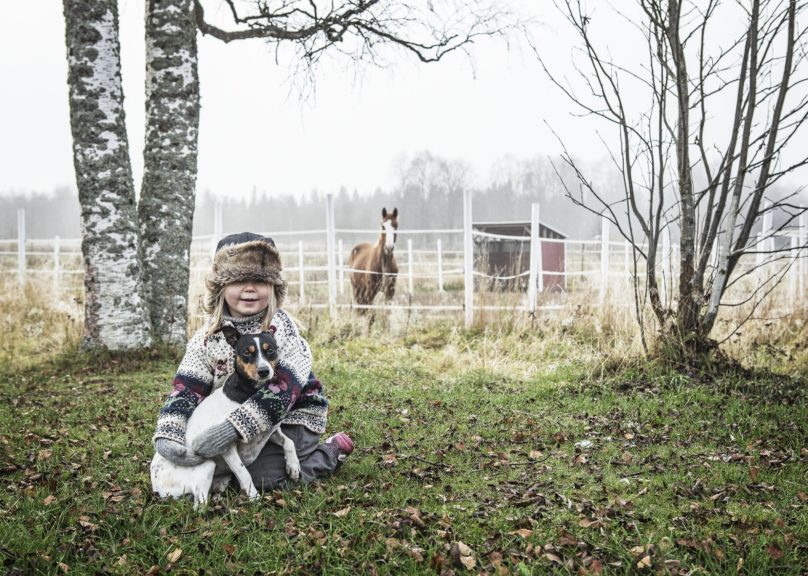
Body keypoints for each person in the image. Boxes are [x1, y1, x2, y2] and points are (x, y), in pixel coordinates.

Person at [152, 232, 353, 489]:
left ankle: (330, 453)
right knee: (213, 470)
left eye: (259, 280)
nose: (249, 288)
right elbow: (187, 389)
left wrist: (231, 431)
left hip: (292, 418)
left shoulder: (282, 331)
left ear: (273, 286)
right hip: (235, 419)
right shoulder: (207, 338)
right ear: (221, 287)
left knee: (264, 480)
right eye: (237, 280)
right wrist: (171, 432)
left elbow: (280, 393)